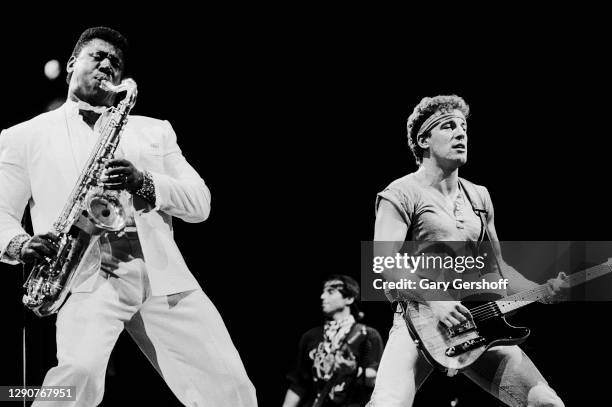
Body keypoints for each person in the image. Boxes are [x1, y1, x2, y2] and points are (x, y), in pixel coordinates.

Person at [0, 27, 257, 406]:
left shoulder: (155, 130)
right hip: (85, 270)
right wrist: (20, 243)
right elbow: (3, 212)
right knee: (78, 376)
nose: (107, 64)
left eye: (115, 63)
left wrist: (144, 182)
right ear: (72, 64)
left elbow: (200, 203)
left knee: (230, 384)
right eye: (97, 56)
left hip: (161, 272)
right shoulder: (23, 135)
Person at [367, 95, 566, 406]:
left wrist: (540, 290)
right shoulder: (400, 193)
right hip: (419, 323)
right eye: (448, 126)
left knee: (546, 403)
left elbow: (497, 269)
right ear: (423, 139)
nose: (461, 133)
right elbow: (383, 261)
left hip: (476, 323)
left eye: (463, 127)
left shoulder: (479, 196)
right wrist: (437, 300)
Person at [283, 275, 384, 407]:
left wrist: (354, 371)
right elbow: (298, 384)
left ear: (349, 298)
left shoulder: (367, 335)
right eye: (323, 292)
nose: (322, 297)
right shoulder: (310, 336)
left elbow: (377, 380)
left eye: (330, 292)